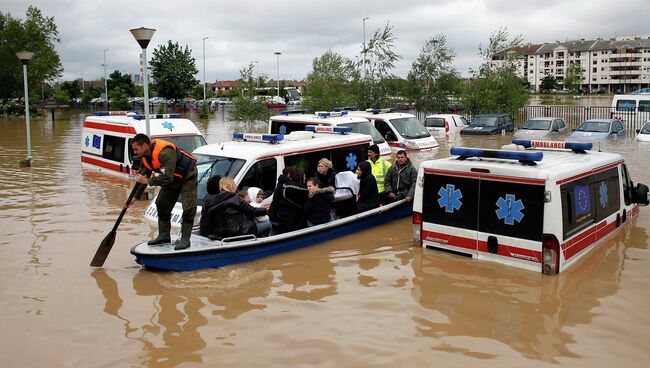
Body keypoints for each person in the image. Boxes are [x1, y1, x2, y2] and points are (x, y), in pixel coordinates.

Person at [132, 133, 197, 250]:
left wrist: (148, 181)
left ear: (145, 146)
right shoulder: (144, 158)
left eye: (136, 149)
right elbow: (142, 179)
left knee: (188, 207)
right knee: (161, 203)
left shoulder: (164, 152)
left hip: (187, 177)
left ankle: (185, 239)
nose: (135, 152)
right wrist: (134, 197)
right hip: (171, 179)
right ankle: (164, 235)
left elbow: (166, 178)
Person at [269, 167, 309, 233]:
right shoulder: (301, 191)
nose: (305, 178)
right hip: (295, 222)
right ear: (300, 177)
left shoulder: (284, 186)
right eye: (304, 176)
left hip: (282, 220)